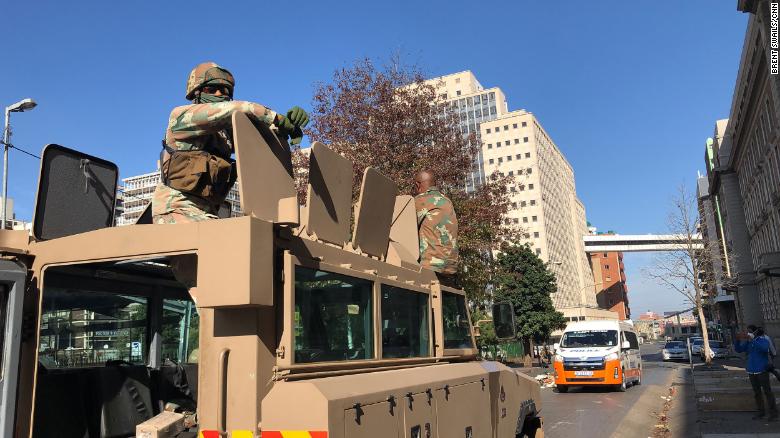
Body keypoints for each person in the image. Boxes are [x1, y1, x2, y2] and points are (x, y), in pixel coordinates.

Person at [152, 61, 309, 224]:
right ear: (196, 93)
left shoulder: (226, 134)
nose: (219, 94)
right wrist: (276, 118)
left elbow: (258, 140)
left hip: (209, 214)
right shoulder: (181, 117)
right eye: (211, 89)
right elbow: (239, 109)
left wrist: (282, 129)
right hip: (176, 209)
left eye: (225, 90)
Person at [413, 170, 459, 286]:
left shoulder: (420, 201)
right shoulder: (447, 202)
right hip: (451, 267)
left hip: (431, 266)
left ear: (418, 185)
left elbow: (400, 225)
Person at [735, 325, 778, 421]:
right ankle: (761, 412)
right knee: (757, 393)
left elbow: (764, 349)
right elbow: (738, 349)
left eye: (750, 331)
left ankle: (773, 413)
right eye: (747, 331)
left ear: (755, 332)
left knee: (767, 392)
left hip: (762, 370)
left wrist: (753, 340)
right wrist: (737, 340)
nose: (748, 333)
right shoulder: (748, 343)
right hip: (751, 371)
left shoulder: (763, 340)